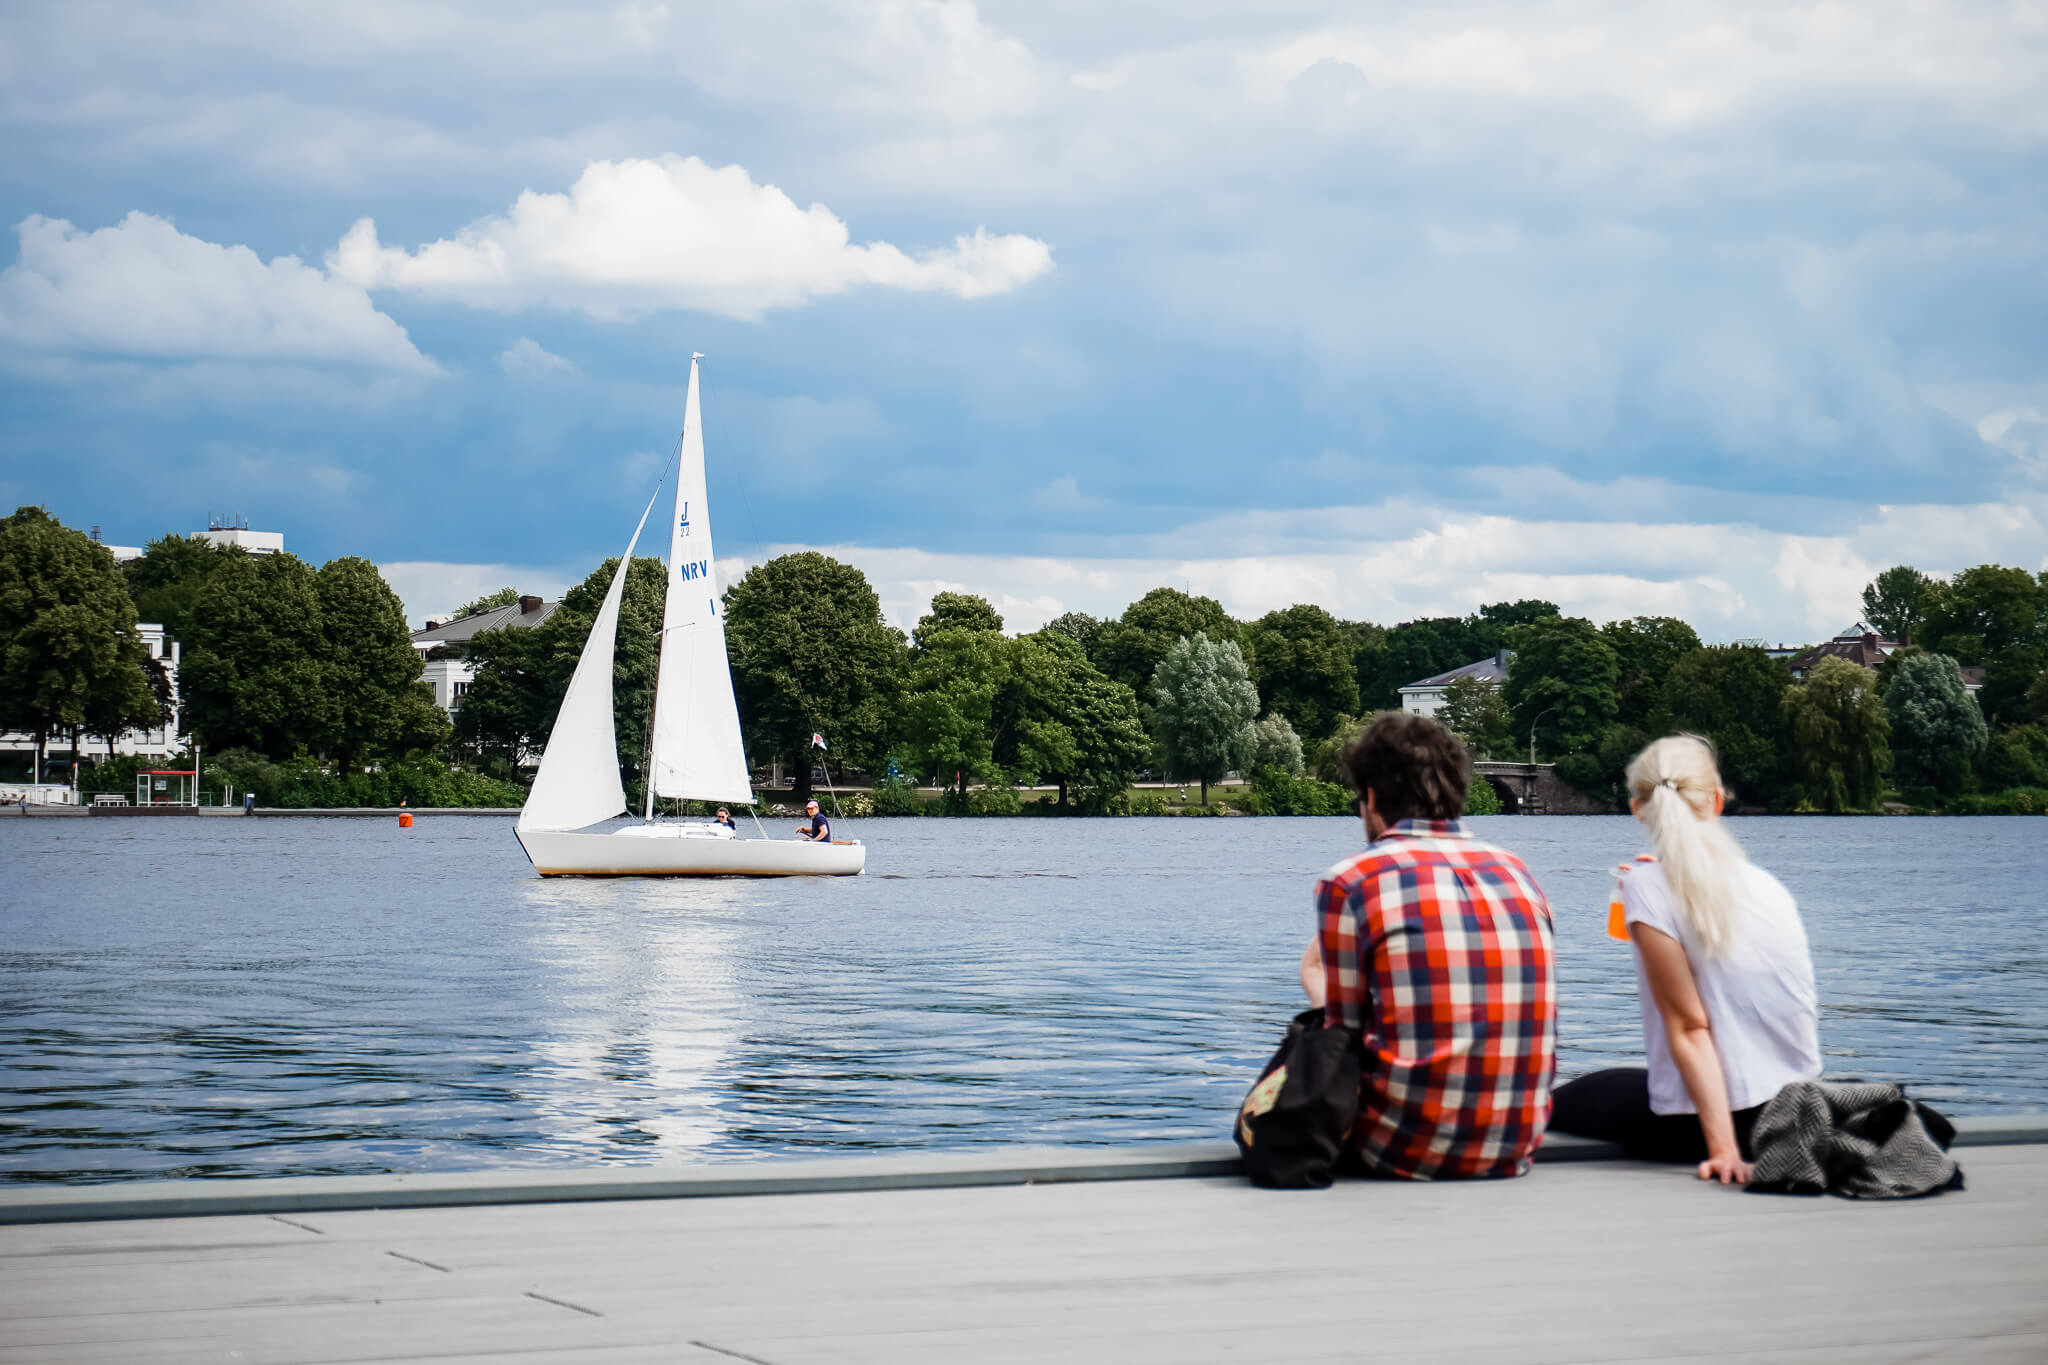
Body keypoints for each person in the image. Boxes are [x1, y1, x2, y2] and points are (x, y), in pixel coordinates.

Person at [1549, 735, 1820, 1185]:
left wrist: (1724, 1152)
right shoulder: (1768, 887)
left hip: (1707, 1128)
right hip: (1792, 1113)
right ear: (1716, 801)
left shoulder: (1645, 886)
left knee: (1563, 1099)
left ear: (1638, 808)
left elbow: (1690, 1027)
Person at [1299, 712, 1557, 1180]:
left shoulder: (1351, 881)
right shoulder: (1519, 873)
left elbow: (1342, 1042)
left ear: (1372, 797)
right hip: (1512, 1146)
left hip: (1398, 1151)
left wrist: (1316, 986)